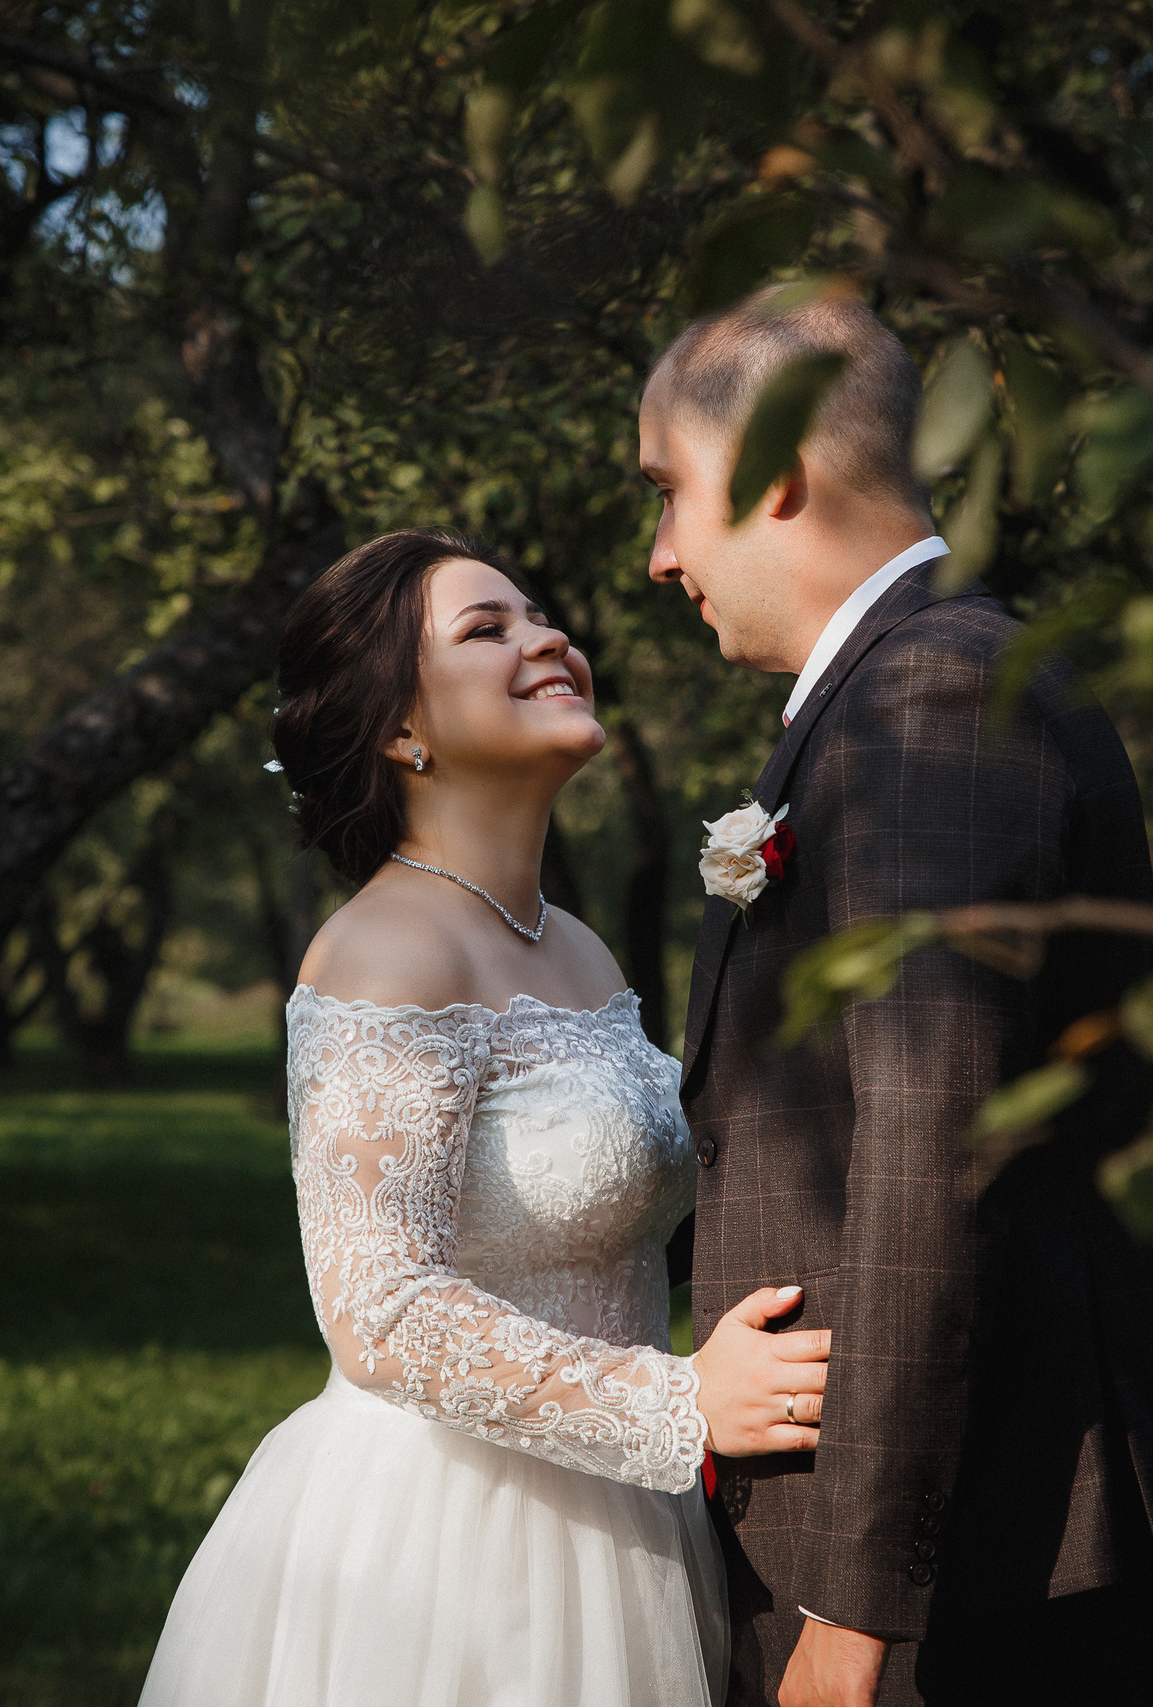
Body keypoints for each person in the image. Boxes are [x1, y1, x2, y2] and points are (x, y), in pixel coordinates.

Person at [137, 529, 829, 1707]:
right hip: (449, 1548)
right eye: (485, 628)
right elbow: (380, 1311)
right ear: (401, 731)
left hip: (625, 1518)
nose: (547, 637)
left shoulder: (572, 944)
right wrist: (679, 1399)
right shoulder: (383, 948)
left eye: (538, 613)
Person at [645, 286, 1153, 1707]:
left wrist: (854, 1611)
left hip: (972, 1575)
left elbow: (926, 1152)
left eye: (666, 494)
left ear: (775, 470)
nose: (657, 556)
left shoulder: (936, 701)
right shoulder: (902, 692)